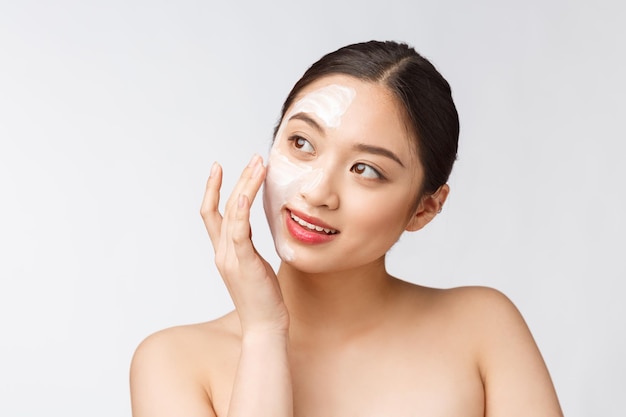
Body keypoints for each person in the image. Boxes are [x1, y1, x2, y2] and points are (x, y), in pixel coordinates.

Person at [130, 40, 563, 417]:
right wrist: (264, 334)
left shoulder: (483, 329)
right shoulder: (174, 363)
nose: (318, 192)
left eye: (366, 170)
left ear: (425, 209)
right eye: (301, 143)